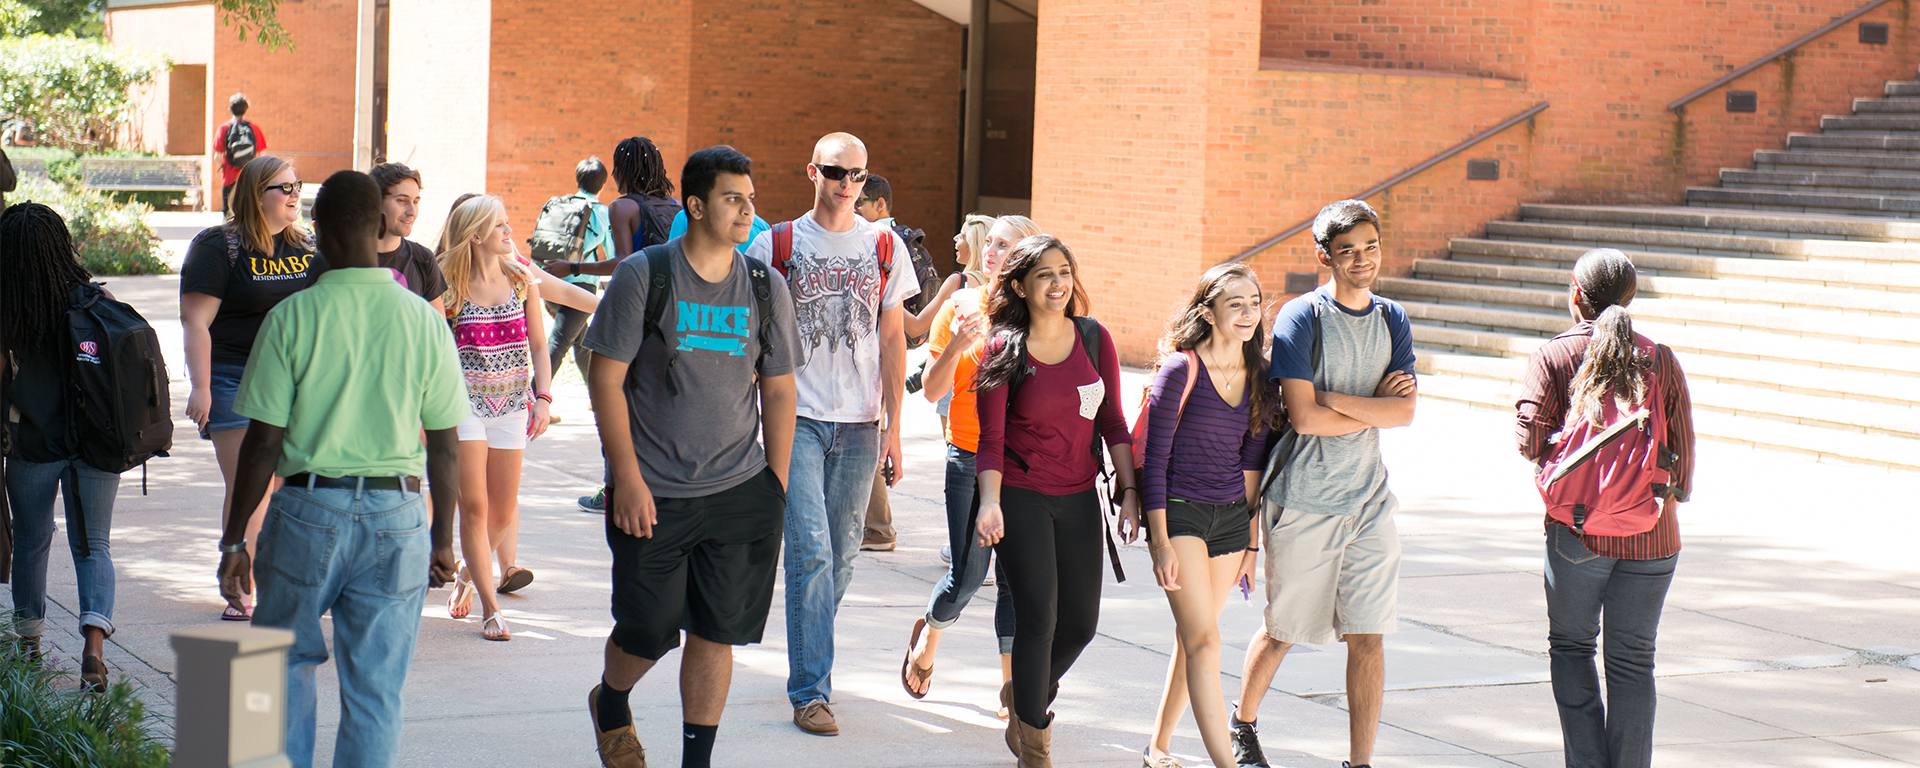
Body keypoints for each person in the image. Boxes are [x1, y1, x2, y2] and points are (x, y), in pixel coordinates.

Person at [215, 170, 465, 768]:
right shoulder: (424, 320)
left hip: (307, 510)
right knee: (376, 691)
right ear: (381, 224)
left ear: (318, 234)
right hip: (398, 514)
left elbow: (262, 444)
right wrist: (443, 540)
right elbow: (447, 445)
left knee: (280, 666)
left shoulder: (292, 318)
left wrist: (233, 539)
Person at [581, 145, 799, 768]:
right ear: (697, 205)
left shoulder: (763, 284)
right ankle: (612, 699)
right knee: (648, 631)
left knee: (716, 631)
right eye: (734, 199)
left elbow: (780, 388)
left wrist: (775, 485)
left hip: (740, 490)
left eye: (751, 199)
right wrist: (625, 478)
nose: (748, 210)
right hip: (653, 490)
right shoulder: (645, 275)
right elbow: (605, 377)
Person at [743, 132, 918, 736]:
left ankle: (806, 641)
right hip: (799, 419)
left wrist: (895, 428)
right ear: (813, 171)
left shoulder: (885, 245)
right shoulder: (777, 243)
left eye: (860, 176)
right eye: (838, 173)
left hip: (862, 425)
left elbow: (893, 339)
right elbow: (752, 336)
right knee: (812, 552)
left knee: (841, 557)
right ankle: (811, 689)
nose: (849, 186)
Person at [1232, 200, 1417, 768]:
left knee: (1369, 636)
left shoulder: (1393, 318)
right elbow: (1305, 419)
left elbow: (1405, 415)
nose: (1361, 260)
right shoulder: (1300, 317)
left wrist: (1335, 398)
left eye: (1370, 247)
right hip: (1304, 499)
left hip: (1368, 501)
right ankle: (1243, 725)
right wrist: (1372, 407)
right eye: (1347, 251)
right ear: (1324, 256)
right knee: (1284, 630)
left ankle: (1359, 763)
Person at [1516, 248, 1695, 768]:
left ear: (1576, 297)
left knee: (1572, 649)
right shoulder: (1660, 358)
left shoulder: (1554, 357)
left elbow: (1530, 442)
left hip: (1576, 533)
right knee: (1634, 662)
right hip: (1653, 537)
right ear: (1631, 298)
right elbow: (1679, 465)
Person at [973, 233, 1138, 768]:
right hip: (1021, 496)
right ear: (1019, 285)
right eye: (1044, 274)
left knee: (1081, 625)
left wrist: (1129, 489)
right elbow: (990, 439)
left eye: (1064, 271)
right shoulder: (1003, 347)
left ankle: (1023, 694)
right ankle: (1035, 747)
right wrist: (989, 503)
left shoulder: (1094, 339)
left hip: (1079, 496)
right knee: (1039, 619)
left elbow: (1112, 419)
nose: (1057, 283)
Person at [899, 214, 1037, 714]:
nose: (992, 252)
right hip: (970, 455)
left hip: (1024, 462)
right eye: (992, 243)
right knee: (969, 575)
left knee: (1014, 579)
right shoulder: (959, 304)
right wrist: (958, 340)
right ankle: (928, 641)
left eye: (1006, 245)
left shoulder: (1041, 314)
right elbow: (932, 390)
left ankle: (1009, 689)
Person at [181, 155, 328, 621]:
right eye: (283, 187)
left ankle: (264, 576)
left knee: (283, 488)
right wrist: (200, 386)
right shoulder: (218, 245)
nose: (294, 195)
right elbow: (195, 320)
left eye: (296, 186)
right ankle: (243, 585)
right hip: (231, 379)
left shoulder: (306, 246)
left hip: (293, 383)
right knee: (250, 484)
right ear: (255, 193)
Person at [1139, 263, 1273, 768]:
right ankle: (1226, 763)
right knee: (1205, 640)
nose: (1247, 312)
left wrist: (1252, 544)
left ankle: (1158, 748)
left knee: (1192, 638)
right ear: (1208, 312)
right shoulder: (1182, 369)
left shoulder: (1260, 374)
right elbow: (1157, 459)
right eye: (1234, 303)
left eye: (1254, 302)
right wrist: (1159, 541)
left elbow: (1251, 466)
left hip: (1231, 521)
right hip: (1182, 515)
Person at [1, 203, 127, 691]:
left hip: (32, 444)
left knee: (32, 541)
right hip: (97, 445)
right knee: (95, 545)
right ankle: (93, 649)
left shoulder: (10, 313)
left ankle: (29, 645)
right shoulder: (97, 299)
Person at [435, 194, 553, 640]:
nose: (509, 231)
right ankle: (490, 606)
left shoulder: (522, 278)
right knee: (477, 507)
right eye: (499, 225)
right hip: (462, 406)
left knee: (502, 513)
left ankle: (468, 572)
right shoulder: (447, 284)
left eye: (508, 222)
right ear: (476, 235)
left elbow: (540, 346)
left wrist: (543, 398)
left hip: (512, 407)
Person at [854, 173, 959, 552]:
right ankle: (875, 527)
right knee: (868, 433)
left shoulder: (881, 245)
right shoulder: (885, 239)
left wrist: (948, 291)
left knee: (866, 435)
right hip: (875, 355)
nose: (853, 208)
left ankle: (878, 528)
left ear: (881, 205)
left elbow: (908, 324)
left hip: (879, 355)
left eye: (860, 203)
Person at [543, 157, 614, 384]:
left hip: (550, 283)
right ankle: (534, 402)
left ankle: (595, 394)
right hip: (581, 289)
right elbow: (615, 257)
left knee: (582, 342)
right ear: (602, 184)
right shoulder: (602, 212)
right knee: (558, 343)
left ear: (578, 179)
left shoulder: (558, 205)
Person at [369, 162, 449, 312]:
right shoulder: (345, 260)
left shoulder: (423, 259)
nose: (412, 211)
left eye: (415, 202)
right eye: (402, 201)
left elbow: (438, 330)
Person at [214, 94, 266, 210]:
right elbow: (262, 156)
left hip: (229, 178)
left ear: (229, 109)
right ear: (246, 109)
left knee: (228, 215)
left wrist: (223, 168)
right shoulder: (254, 128)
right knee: (247, 213)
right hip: (249, 177)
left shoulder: (223, 128)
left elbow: (217, 157)